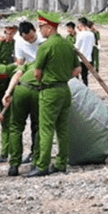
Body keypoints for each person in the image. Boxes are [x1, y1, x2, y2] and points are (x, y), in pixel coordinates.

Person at [25, 12, 80, 177]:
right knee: (62, 129)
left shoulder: (45, 46)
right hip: (64, 89)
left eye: (41, 27)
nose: (40, 30)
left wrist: (48, 79)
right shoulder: (67, 45)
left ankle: (42, 165)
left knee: (46, 129)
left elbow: (36, 73)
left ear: (49, 27)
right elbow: (77, 69)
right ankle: (61, 163)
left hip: (49, 90)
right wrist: (63, 77)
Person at [1, 61, 41, 176]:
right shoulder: (53, 64)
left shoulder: (31, 63)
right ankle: (35, 161)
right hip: (38, 91)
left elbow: (17, 75)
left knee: (15, 128)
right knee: (38, 127)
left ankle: (14, 165)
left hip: (21, 89)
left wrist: (7, 93)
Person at [74, 17, 97, 86]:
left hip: (80, 59)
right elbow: (93, 45)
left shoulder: (80, 34)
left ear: (81, 25)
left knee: (76, 76)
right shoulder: (91, 34)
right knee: (85, 76)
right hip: (88, 59)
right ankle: (86, 88)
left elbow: (76, 47)